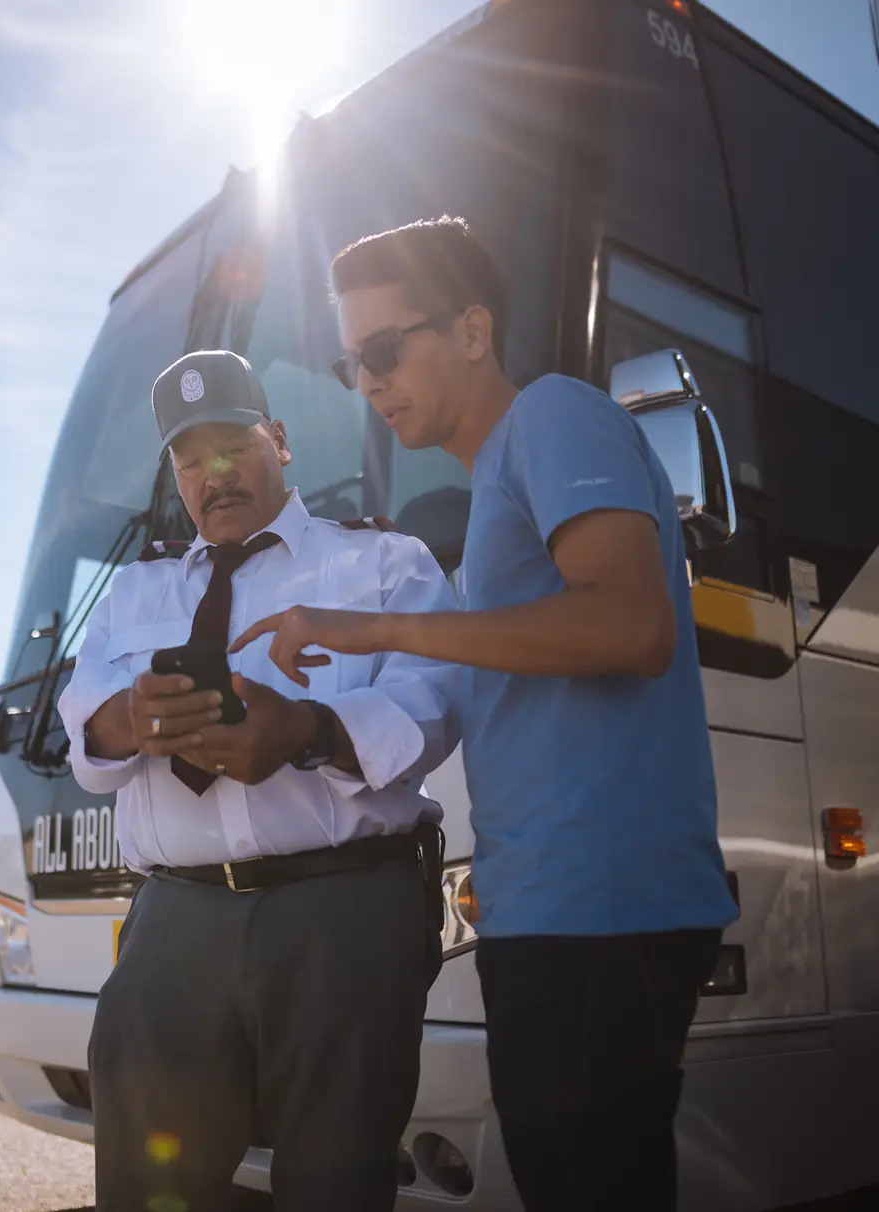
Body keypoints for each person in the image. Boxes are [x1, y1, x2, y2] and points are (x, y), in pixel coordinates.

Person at [232, 217, 739, 1211]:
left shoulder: (554, 415)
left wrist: (382, 633)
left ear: (471, 330)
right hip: (560, 911)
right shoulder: (497, 490)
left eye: (384, 349)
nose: (368, 382)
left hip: (599, 908)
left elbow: (632, 626)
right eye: (350, 365)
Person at [58, 348, 462, 1212]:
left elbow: (434, 705)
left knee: (336, 1183)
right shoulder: (135, 591)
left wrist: (308, 732)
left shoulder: (383, 565)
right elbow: (81, 717)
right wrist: (136, 717)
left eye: (233, 445)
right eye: (188, 457)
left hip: (341, 915)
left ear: (278, 441)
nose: (213, 473)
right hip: (173, 925)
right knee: (147, 1189)